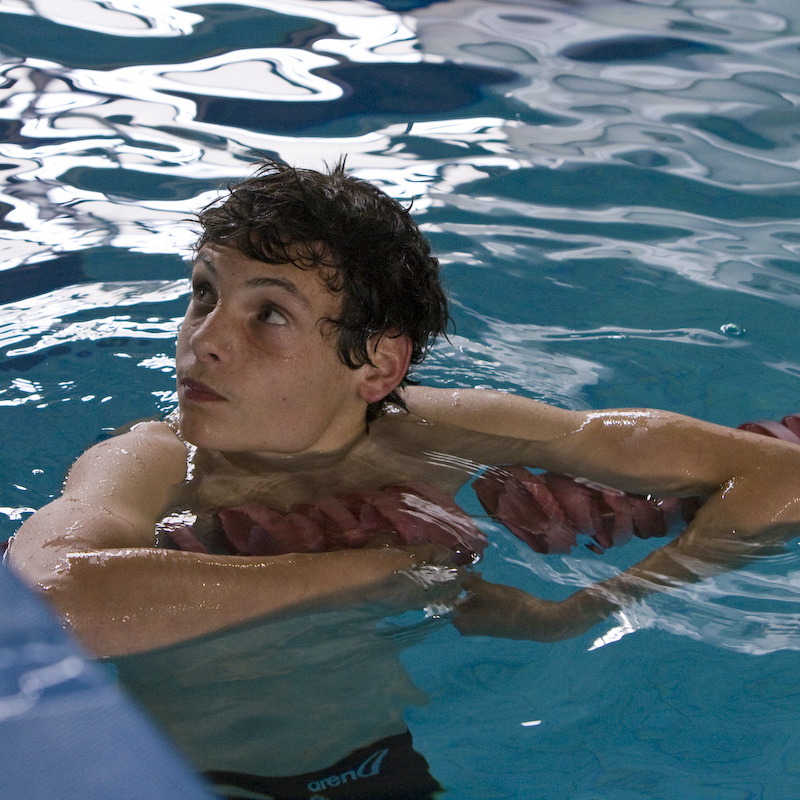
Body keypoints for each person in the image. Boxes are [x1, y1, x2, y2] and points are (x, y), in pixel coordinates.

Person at [5, 159, 800, 796]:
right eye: (204, 294)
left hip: (378, 771)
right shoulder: (154, 460)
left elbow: (778, 476)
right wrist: (376, 574)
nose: (203, 340)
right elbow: (48, 601)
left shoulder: (440, 434)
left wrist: (589, 609)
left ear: (378, 366)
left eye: (268, 314)